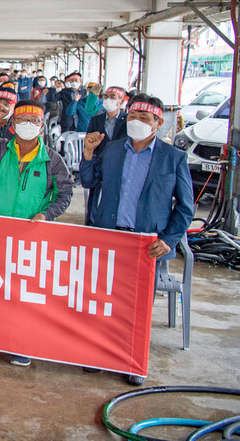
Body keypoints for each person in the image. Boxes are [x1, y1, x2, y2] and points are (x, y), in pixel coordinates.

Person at [79, 94, 193, 385]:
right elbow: (90, 182)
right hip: (111, 238)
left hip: (147, 245)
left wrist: (169, 238)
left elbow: (185, 207)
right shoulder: (113, 150)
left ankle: (133, 360)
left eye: (144, 118)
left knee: (138, 306)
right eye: (132, 117)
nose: (136, 122)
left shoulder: (173, 158)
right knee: (103, 300)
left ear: (158, 123)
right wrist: (89, 153)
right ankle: (99, 353)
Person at [0, 98, 74, 368]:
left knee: (25, 290)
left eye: (34, 121)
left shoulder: (52, 160)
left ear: (42, 127)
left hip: (30, 235)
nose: (28, 125)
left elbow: (65, 192)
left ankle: (21, 344)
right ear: (12, 125)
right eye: (22, 120)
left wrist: (46, 214)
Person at [81, 86, 129, 224]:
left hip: (119, 166)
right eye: (106, 96)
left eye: (113, 97)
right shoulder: (97, 119)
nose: (108, 100)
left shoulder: (127, 120)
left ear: (121, 101)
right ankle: (92, 224)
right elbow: (89, 141)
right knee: (95, 198)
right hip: (99, 165)